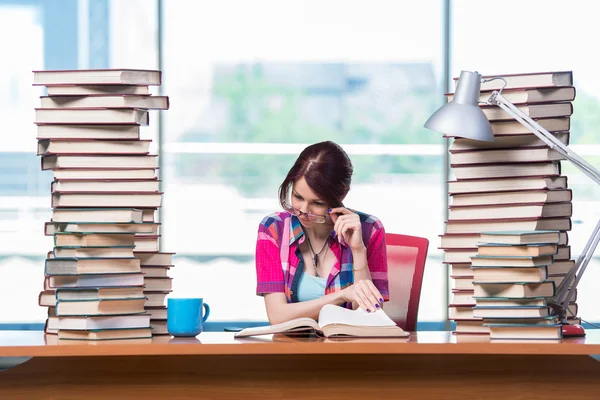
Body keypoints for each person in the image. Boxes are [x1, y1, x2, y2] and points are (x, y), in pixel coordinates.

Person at [255, 141, 388, 325]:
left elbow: (369, 317)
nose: (303, 210)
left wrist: (358, 251)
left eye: (317, 203)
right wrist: (341, 296)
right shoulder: (273, 229)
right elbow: (277, 316)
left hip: (349, 350)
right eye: (297, 197)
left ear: (341, 195)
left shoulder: (369, 229)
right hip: (292, 350)